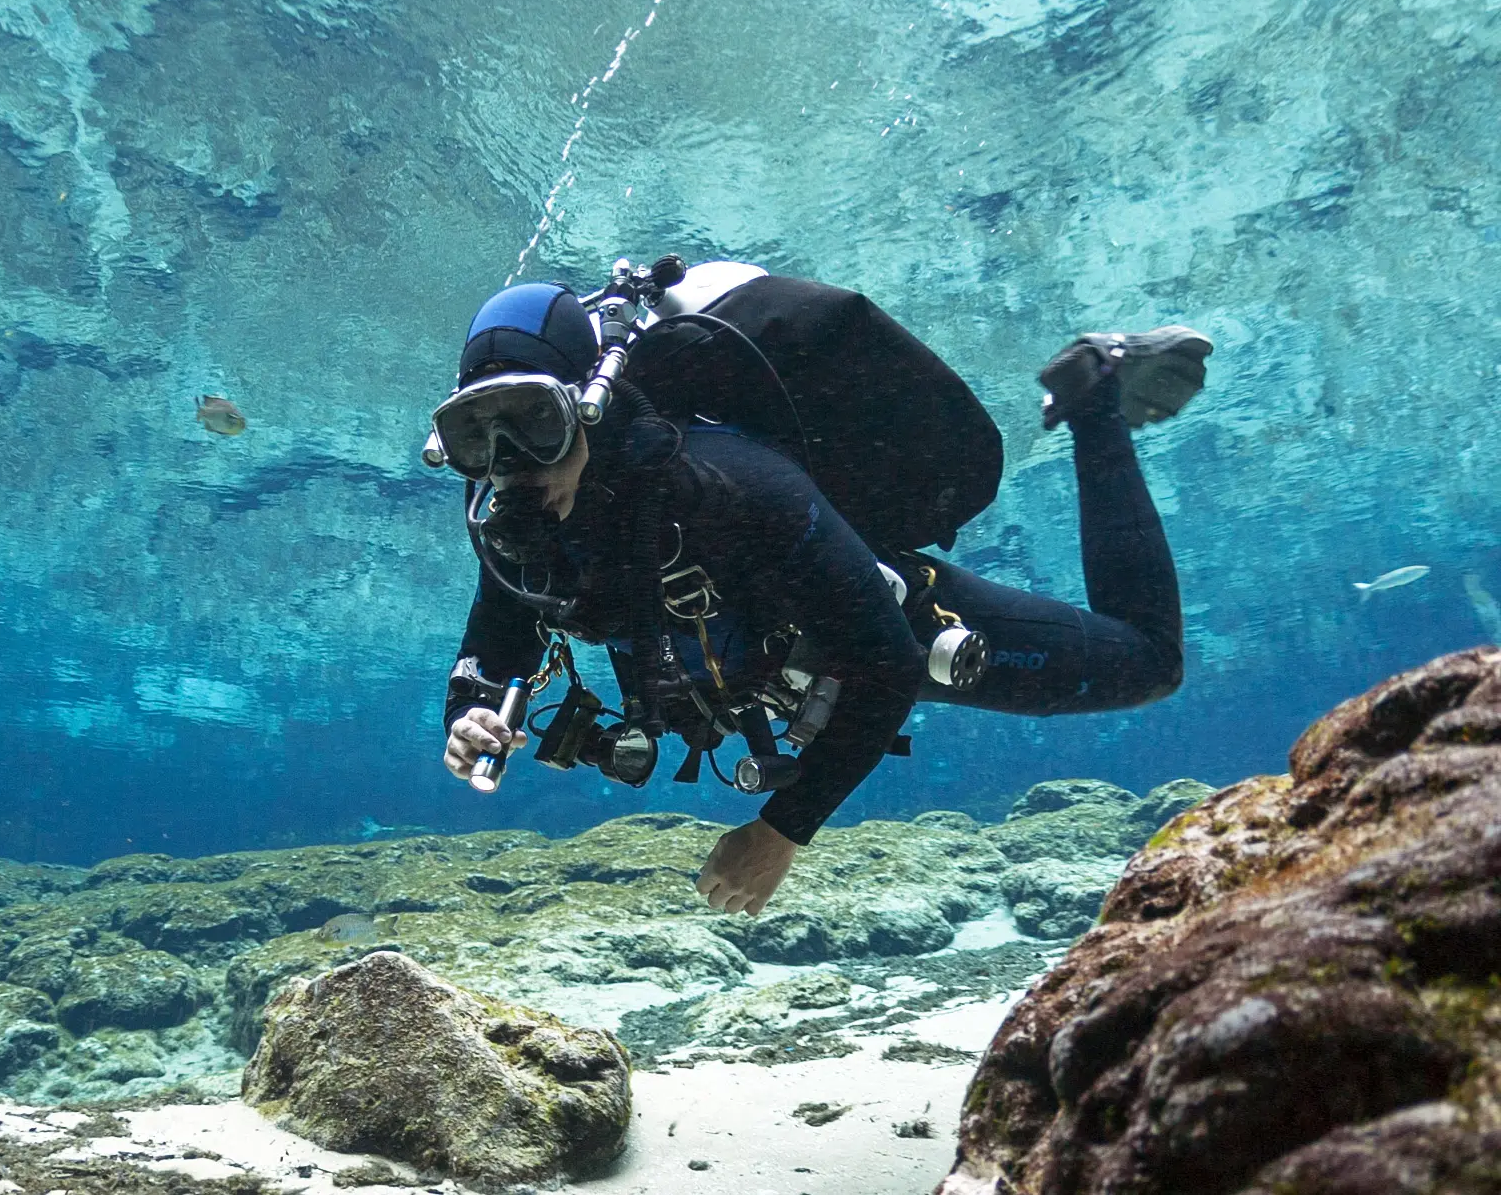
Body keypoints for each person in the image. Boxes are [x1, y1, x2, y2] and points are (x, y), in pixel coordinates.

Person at [431, 265, 1211, 917]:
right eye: (478, 435)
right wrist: (468, 720)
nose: (511, 463)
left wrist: (780, 831)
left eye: (533, 421)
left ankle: (1095, 395)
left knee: (1150, 663)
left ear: (589, 407)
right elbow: (490, 652)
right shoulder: (516, 532)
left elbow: (889, 664)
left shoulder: (730, 488)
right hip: (781, 679)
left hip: (878, 629)